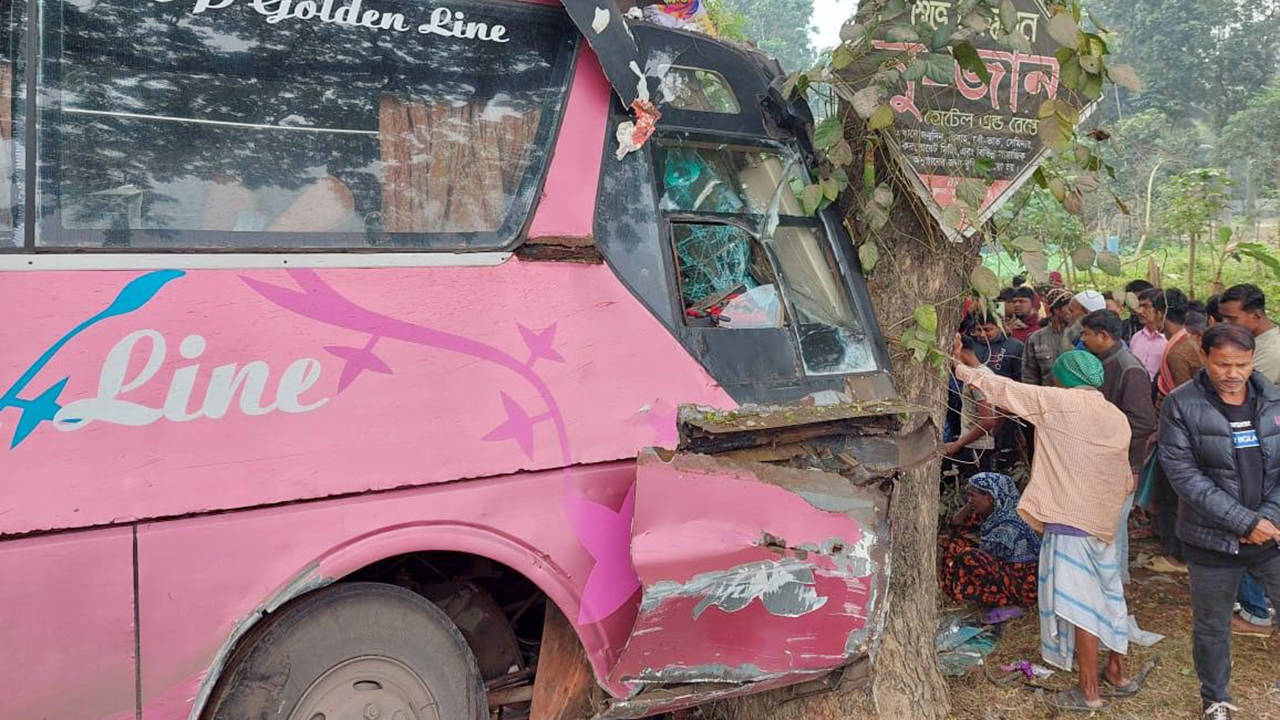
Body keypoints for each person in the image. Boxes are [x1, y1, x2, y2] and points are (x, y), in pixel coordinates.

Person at [953, 342, 1136, 712]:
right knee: (1110, 596)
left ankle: (1089, 691)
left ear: (1062, 379)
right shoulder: (1115, 415)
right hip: (1105, 521)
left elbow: (1003, 389)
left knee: (1082, 608)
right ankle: (1117, 671)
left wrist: (958, 367)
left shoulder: (1058, 402)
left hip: (1070, 524)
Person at [1159, 324, 1280, 720]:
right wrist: (1244, 522)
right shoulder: (1181, 404)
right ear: (1205, 357)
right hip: (1211, 539)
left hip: (1272, 534)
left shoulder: (1273, 399)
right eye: (1223, 364)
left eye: (1241, 364)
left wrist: (1267, 519)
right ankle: (1215, 699)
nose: (1233, 373)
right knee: (1212, 626)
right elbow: (1183, 475)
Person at [1081, 310, 1157, 585]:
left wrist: (1107, 440)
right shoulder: (1105, 362)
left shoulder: (1128, 368)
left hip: (1121, 460)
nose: (1082, 339)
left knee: (1113, 526)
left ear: (1103, 336)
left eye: (1086, 333)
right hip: (1105, 458)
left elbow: (1143, 421)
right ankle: (1113, 580)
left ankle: (1113, 583)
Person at [941, 472, 1040, 608]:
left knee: (968, 556)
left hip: (1021, 587)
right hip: (1005, 575)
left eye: (973, 495)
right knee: (955, 543)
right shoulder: (991, 515)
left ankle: (1002, 602)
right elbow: (955, 525)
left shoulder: (1009, 525)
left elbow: (991, 557)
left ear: (990, 497)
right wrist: (970, 505)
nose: (969, 500)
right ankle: (950, 591)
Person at [945, 334, 1001, 472]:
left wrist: (958, 444)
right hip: (980, 445)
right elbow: (1002, 411)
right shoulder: (986, 372)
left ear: (960, 351)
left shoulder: (976, 379)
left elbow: (988, 421)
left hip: (975, 448)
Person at [1219, 284, 1280, 384]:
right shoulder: (1246, 340)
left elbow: (1239, 389)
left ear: (1256, 316)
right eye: (1223, 318)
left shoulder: (1271, 351)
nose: (1225, 324)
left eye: (1231, 319)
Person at [1022, 288, 1075, 386]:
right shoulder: (1036, 338)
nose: (1072, 312)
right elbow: (1029, 377)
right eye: (1069, 308)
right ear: (1056, 310)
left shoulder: (1080, 335)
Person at [1131, 284, 1169, 381]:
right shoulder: (1136, 337)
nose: (1139, 311)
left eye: (1145, 306)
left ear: (1161, 310)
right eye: (1139, 306)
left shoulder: (1169, 340)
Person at [972, 314, 1024, 380]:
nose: (982, 334)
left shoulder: (1016, 346)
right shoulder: (970, 344)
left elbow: (1020, 377)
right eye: (979, 330)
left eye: (987, 330)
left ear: (999, 328)